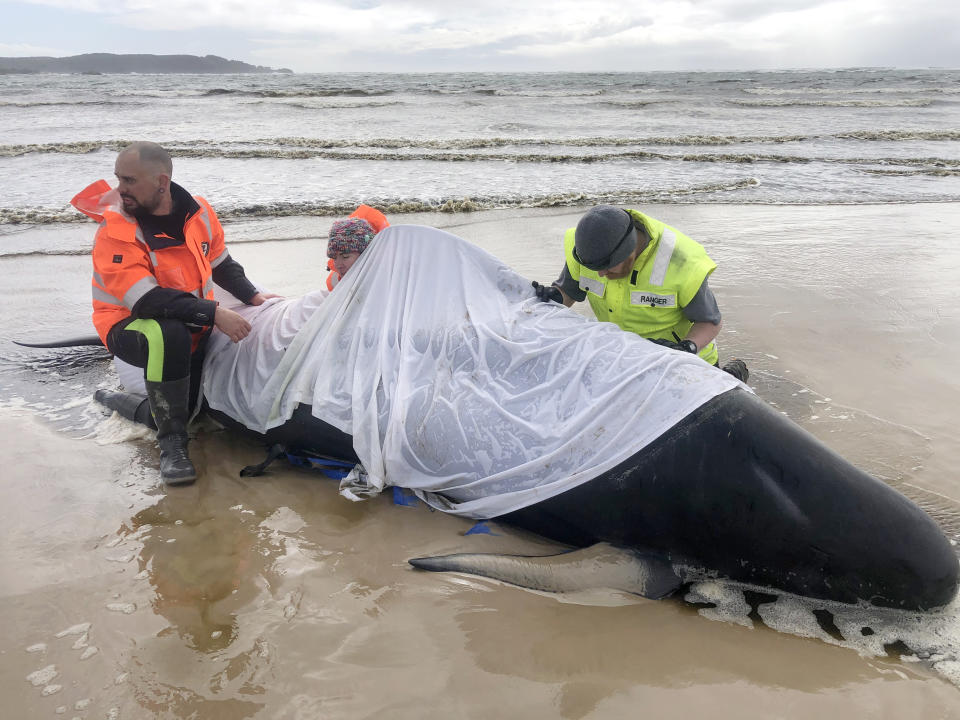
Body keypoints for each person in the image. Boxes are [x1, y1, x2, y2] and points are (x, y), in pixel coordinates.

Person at [72, 141, 279, 486]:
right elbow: (146, 301)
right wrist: (214, 314)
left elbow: (221, 264)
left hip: (189, 319)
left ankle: (139, 407)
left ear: (162, 182)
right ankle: (172, 445)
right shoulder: (117, 230)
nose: (119, 190)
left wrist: (254, 297)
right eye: (118, 179)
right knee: (168, 334)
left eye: (129, 181)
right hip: (129, 324)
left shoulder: (198, 213)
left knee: (192, 409)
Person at [532, 205, 747, 381]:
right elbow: (568, 291)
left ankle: (733, 373)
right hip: (627, 359)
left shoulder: (682, 263)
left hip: (689, 361)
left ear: (631, 251)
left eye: (608, 267)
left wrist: (685, 349)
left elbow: (710, 322)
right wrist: (553, 297)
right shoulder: (589, 250)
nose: (600, 273)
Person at [325, 205, 389, 290]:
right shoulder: (335, 283)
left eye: (345, 256)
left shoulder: (389, 282)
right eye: (334, 258)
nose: (338, 265)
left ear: (365, 255)